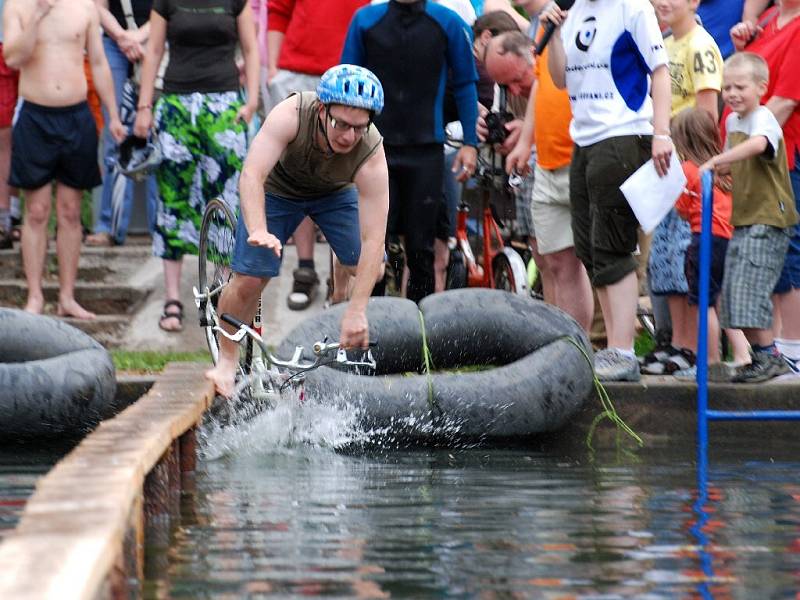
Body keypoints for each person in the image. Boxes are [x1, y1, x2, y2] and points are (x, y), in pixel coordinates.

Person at [205, 65, 389, 398]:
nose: (348, 136)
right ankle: (227, 361)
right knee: (250, 278)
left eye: (359, 127)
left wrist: (356, 310)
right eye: (341, 124)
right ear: (322, 110)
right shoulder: (290, 114)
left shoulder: (371, 152)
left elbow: (374, 238)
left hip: (334, 192)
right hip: (277, 190)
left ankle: (338, 291)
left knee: (371, 267)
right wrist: (258, 229)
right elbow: (251, 176)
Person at [541, 0, 673, 382]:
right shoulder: (574, 10)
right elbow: (561, 78)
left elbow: (660, 71)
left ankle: (622, 350)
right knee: (588, 247)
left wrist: (661, 133)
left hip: (624, 132)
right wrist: (552, 35)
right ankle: (611, 348)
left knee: (612, 245)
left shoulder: (632, 7)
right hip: (583, 138)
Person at [132, 0, 259, 333]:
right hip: (176, 105)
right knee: (172, 200)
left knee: (227, 200)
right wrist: (145, 106)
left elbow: (251, 48)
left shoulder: (235, 1)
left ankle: (219, 291)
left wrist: (252, 101)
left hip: (224, 106)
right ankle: (172, 298)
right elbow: (155, 49)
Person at [342, 0, 479, 304]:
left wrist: (471, 142)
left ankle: (419, 337)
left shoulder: (447, 22)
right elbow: (346, 82)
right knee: (373, 247)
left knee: (422, 250)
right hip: (374, 149)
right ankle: (368, 330)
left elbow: (466, 84)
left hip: (426, 150)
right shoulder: (366, 21)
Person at [3, 0, 126, 319]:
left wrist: (113, 115)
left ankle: (67, 297)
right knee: (37, 211)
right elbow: (13, 57)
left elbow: (98, 62)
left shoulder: (85, 7)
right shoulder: (18, 7)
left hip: (76, 116)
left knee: (71, 212)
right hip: (35, 116)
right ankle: (34, 296)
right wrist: (38, 16)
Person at [699, 52, 798, 382]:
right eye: (726, 87)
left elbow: (757, 146)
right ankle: (760, 356)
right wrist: (714, 169)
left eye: (739, 87)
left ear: (761, 88)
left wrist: (718, 160)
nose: (731, 94)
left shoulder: (763, 117)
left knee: (752, 287)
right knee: (734, 292)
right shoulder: (731, 121)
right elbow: (731, 161)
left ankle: (771, 357)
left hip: (769, 218)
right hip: (745, 216)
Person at [267, 0, 368, 311]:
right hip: (296, 71)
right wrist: (273, 68)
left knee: (345, 176)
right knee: (295, 171)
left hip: (349, 79)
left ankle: (338, 283)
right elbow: (278, 11)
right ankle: (305, 268)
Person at [641, 0, 723, 376]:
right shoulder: (666, 44)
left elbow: (707, 115)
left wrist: (692, 166)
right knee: (664, 263)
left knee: (685, 263)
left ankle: (693, 349)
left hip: (687, 166)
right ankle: (672, 342)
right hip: (666, 167)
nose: (662, 2)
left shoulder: (700, 45)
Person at [505, 4, 594, 333]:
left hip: (583, 152)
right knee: (556, 261)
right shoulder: (541, 26)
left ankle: (600, 347)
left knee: (597, 260)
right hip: (546, 158)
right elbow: (542, 84)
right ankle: (566, 346)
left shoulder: (591, 15)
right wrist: (525, 142)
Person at [730, 0, 800, 374]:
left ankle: (792, 351)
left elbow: (784, 101)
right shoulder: (768, 21)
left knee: (788, 254)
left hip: (784, 161)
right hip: (754, 165)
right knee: (767, 257)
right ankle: (771, 351)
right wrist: (743, 47)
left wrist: (735, 148)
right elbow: (750, 85)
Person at [671, 107, 750, 379]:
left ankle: (710, 362)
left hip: (704, 239)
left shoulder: (687, 170)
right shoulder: (725, 170)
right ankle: (742, 353)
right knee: (722, 298)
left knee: (703, 301)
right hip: (730, 239)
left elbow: (682, 208)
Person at [85, 0, 158, 248]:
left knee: (158, 139)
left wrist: (140, 35)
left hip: (158, 39)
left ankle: (161, 228)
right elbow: (98, 6)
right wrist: (123, 36)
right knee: (115, 134)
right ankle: (109, 225)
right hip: (113, 43)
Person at [0, 0, 18, 250]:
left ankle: (14, 212)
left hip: (37, 43)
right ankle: (4, 215)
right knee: (4, 133)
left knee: (26, 132)